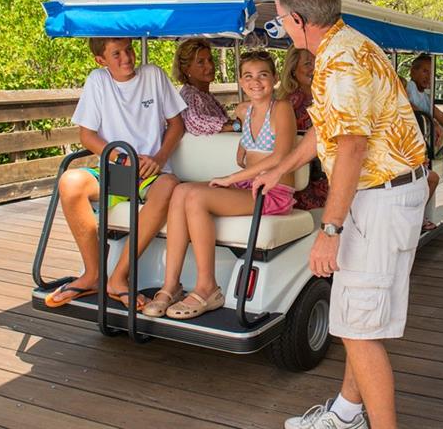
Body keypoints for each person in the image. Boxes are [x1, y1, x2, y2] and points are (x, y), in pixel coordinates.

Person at [254, 0, 428, 429]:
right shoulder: (345, 44)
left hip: (379, 201)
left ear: (297, 19)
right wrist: (279, 166)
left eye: (281, 20)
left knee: (356, 330)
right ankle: (347, 415)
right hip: (385, 195)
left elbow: (351, 146)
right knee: (359, 321)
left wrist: (328, 231)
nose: (281, 28)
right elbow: (327, 130)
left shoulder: (341, 63)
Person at [142, 50, 298, 319]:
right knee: (180, 192)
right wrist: (242, 150)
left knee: (196, 197)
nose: (255, 81)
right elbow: (246, 152)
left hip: (272, 191)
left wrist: (231, 178)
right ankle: (171, 286)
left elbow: (280, 156)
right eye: (248, 76)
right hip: (249, 185)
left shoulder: (281, 108)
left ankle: (207, 288)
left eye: (263, 75)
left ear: (274, 79)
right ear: (240, 81)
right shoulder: (245, 111)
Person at [45, 37, 186, 310]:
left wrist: (158, 158)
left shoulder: (153, 75)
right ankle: (93, 274)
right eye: (116, 54)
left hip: (150, 171)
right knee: (70, 182)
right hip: (115, 169)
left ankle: (118, 278)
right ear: (101, 60)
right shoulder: (97, 81)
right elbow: (87, 135)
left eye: (129, 49)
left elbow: (176, 124)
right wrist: (120, 158)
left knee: (169, 186)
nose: (127, 58)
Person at [277, 46, 328, 210]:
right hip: (309, 179)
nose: (314, 67)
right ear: (293, 70)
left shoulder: (322, 95)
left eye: (317, 61)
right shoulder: (294, 102)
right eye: (307, 64)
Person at [173, 37, 238, 135]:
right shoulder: (191, 95)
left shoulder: (203, 94)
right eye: (201, 62)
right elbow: (194, 121)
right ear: (186, 69)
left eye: (210, 60)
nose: (210, 66)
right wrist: (237, 126)